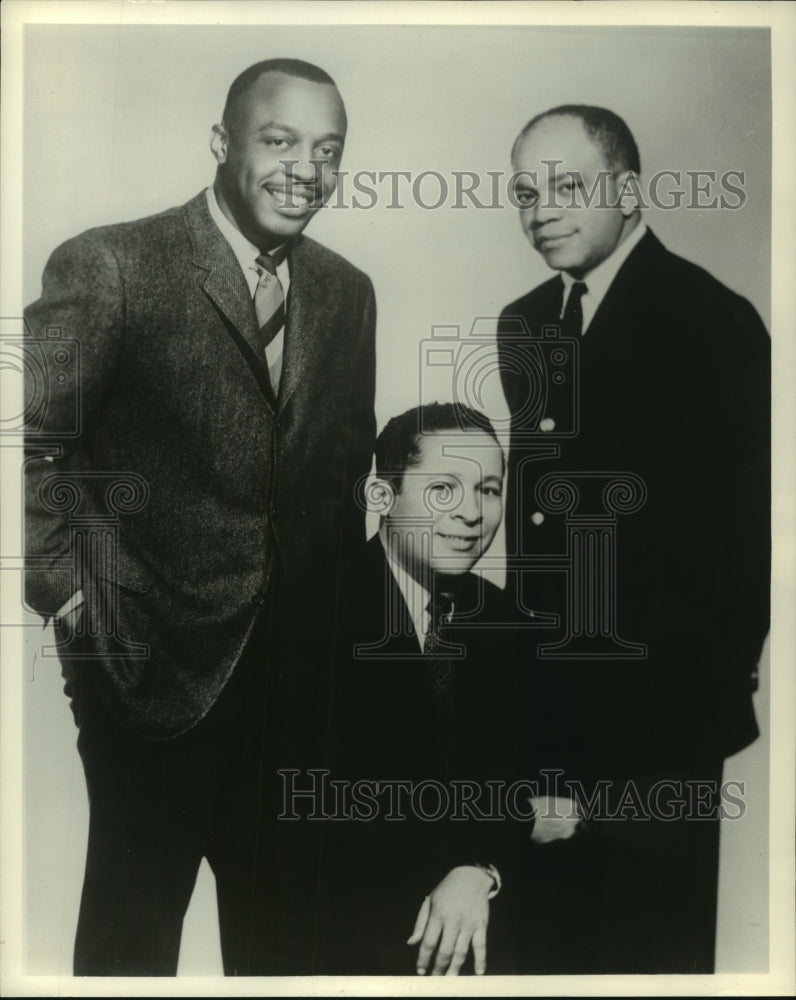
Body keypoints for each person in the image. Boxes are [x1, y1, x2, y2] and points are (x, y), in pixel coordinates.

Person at [23, 58, 376, 976]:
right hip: (150, 679)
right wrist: (72, 604)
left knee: (290, 957)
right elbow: (27, 443)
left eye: (328, 150)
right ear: (223, 144)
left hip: (297, 701)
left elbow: (341, 473)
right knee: (129, 956)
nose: (307, 168)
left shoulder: (347, 291)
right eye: (280, 141)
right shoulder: (111, 263)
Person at [498, 105, 770, 973]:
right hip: (543, 728)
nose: (542, 208)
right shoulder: (526, 322)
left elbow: (741, 563)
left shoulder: (713, 323)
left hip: (660, 739)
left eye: (567, 185)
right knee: (542, 963)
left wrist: (645, 766)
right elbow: (534, 538)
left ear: (629, 188)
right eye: (524, 192)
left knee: (650, 965)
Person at [311, 402, 528, 976]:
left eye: (488, 489)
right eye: (442, 489)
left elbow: (536, 780)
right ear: (382, 497)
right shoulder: (314, 613)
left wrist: (479, 869)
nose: (471, 514)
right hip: (348, 944)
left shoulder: (504, 618)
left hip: (480, 928)